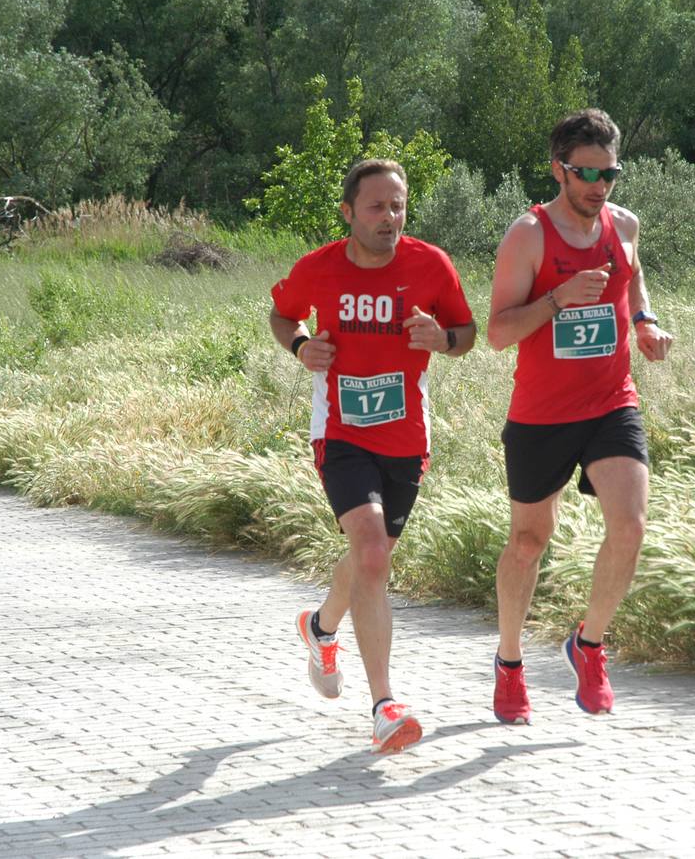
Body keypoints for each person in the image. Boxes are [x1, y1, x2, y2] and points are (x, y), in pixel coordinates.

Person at [269, 158, 476, 752]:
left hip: (407, 437)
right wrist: (303, 345)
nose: (389, 218)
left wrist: (444, 339)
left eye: (398, 206)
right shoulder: (320, 268)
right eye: (376, 207)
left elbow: (466, 333)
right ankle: (385, 704)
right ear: (348, 213)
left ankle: (320, 627)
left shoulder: (430, 265)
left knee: (372, 560)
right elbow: (283, 315)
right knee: (370, 551)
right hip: (342, 432)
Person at [486, 109, 673, 724]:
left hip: (611, 401)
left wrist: (643, 322)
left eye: (609, 173)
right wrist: (556, 299)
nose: (598, 185)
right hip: (541, 414)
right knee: (528, 541)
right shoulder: (529, 235)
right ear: (558, 170)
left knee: (630, 527)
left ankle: (588, 645)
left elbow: (633, 279)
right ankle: (510, 663)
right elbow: (497, 332)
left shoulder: (624, 225)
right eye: (585, 172)